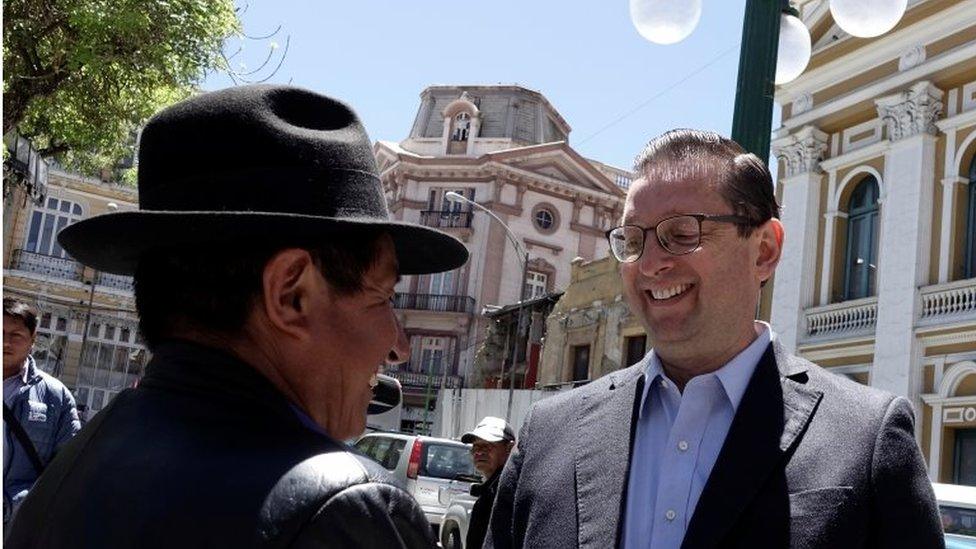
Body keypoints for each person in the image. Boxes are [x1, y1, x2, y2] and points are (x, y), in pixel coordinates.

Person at [6, 84, 468, 548]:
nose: (398, 346)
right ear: (291, 294)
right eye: (382, 297)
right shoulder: (343, 510)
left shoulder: (73, 466)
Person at [486, 129, 943, 548]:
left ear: (763, 250)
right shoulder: (548, 434)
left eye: (681, 234)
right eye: (632, 240)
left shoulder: (865, 439)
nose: (649, 264)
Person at [2, 298, 80, 526]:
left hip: (17, 525)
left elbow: (67, 468)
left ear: (33, 340)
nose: (5, 342)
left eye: (16, 335)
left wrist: (22, 505)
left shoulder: (56, 396)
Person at [461, 417, 515, 549]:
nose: (478, 452)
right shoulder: (490, 490)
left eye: (487, 446)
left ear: (509, 448)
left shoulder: (509, 491)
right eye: (475, 446)